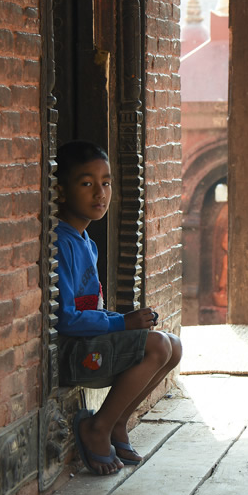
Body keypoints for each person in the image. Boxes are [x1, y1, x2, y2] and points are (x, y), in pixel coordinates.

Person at [54, 141, 182, 476]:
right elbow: (65, 318)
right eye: (86, 183)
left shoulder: (87, 243)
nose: (100, 193)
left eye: (106, 183)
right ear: (62, 191)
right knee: (157, 345)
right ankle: (97, 427)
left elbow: (90, 308)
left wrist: (123, 320)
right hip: (71, 354)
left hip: (88, 346)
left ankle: (117, 422)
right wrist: (119, 324)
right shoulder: (61, 243)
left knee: (174, 346)